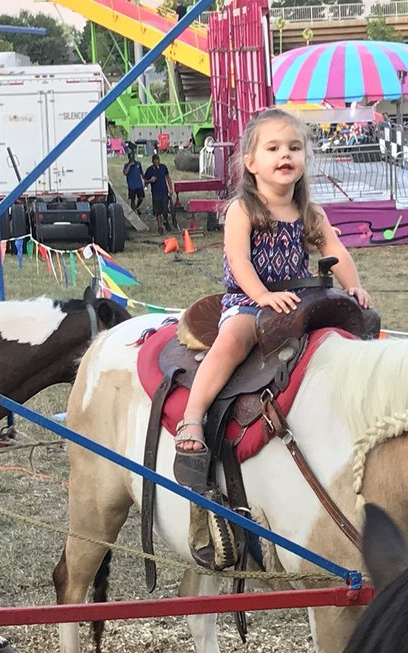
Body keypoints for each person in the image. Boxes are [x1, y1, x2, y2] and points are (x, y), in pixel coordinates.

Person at [173, 108, 372, 475]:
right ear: (250, 162)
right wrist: (262, 295)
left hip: (299, 301)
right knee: (232, 342)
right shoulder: (242, 210)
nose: (285, 155)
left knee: (343, 340)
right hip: (249, 301)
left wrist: (353, 287)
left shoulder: (310, 212)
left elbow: (335, 251)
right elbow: (239, 261)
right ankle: (193, 416)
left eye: (294, 148)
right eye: (274, 148)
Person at [143, 153, 174, 234]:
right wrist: (150, 180)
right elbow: (145, 181)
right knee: (158, 212)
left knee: (165, 210)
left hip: (164, 192)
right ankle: (160, 227)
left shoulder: (163, 167)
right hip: (156, 193)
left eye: (158, 161)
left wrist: (171, 188)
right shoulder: (150, 170)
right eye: (155, 161)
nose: (157, 162)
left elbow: (168, 177)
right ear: (153, 161)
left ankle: (166, 221)